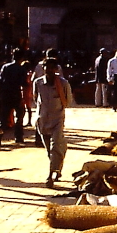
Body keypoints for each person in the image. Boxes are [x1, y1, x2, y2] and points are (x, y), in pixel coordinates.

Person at [33, 58, 73, 187]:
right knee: (50, 150)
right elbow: (35, 98)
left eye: (52, 68)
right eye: (47, 68)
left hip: (57, 120)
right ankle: (57, 168)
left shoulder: (63, 84)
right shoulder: (38, 83)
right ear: (43, 68)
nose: (49, 71)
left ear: (56, 69)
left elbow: (68, 101)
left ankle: (50, 175)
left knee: (55, 146)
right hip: (42, 121)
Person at [0, 49, 29, 145]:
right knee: (19, 116)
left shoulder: (5, 67)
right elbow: (23, 84)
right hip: (16, 95)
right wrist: (23, 98)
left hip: (5, 95)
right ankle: (18, 137)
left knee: (3, 117)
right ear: (22, 58)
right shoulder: (21, 69)